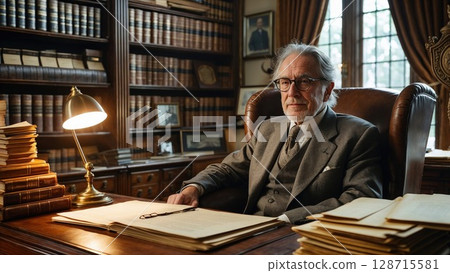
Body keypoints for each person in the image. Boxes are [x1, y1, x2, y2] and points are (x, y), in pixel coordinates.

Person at [168, 42, 383, 224]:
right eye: (284, 82)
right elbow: (227, 169)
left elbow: (360, 200)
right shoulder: (267, 128)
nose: (292, 92)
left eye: (304, 81)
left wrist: (288, 219)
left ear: (327, 90)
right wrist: (195, 187)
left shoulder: (359, 135)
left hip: (305, 237)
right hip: (249, 227)